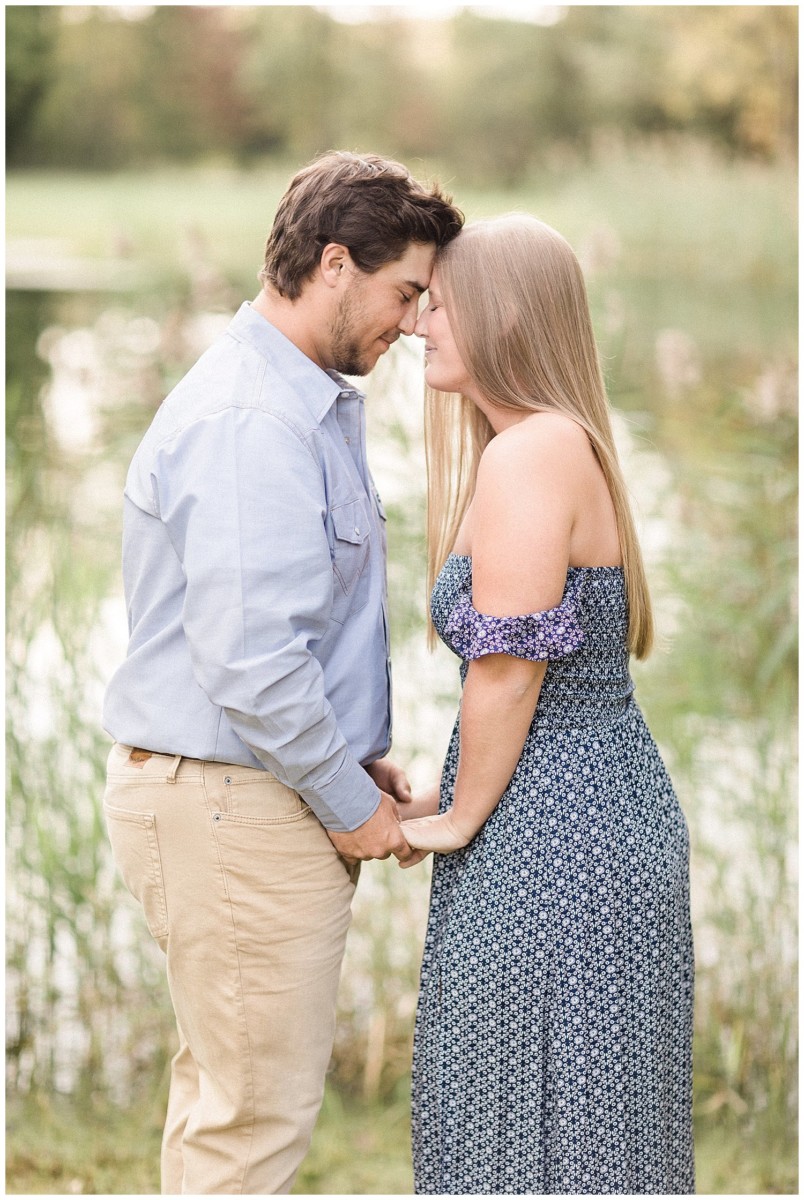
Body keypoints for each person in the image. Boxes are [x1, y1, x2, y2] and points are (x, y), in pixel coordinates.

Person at [101, 151, 463, 1195]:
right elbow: (256, 668)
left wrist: (356, 760)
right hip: (234, 807)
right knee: (250, 1129)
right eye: (405, 293)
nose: (411, 323)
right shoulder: (254, 420)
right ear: (335, 263)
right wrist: (353, 807)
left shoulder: (291, 398)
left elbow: (288, 637)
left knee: (229, 1105)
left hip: (247, 795)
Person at [401, 214, 695, 1194]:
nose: (417, 323)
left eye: (437, 301)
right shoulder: (546, 444)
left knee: (536, 1111)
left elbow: (509, 669)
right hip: (577, 804)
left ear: (507, 311)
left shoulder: (532, 453)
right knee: (561, 1106)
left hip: (557, 826)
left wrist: (457, 818)